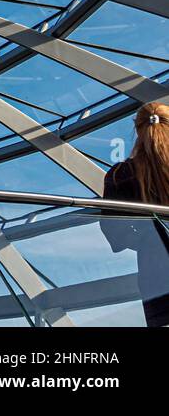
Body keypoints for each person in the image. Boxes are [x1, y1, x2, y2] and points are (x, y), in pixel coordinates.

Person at [101, 102, 169, 327]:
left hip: (157, 278)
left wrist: (147, 240)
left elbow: (114, 230)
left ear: (137, 130)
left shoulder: (121, 174)